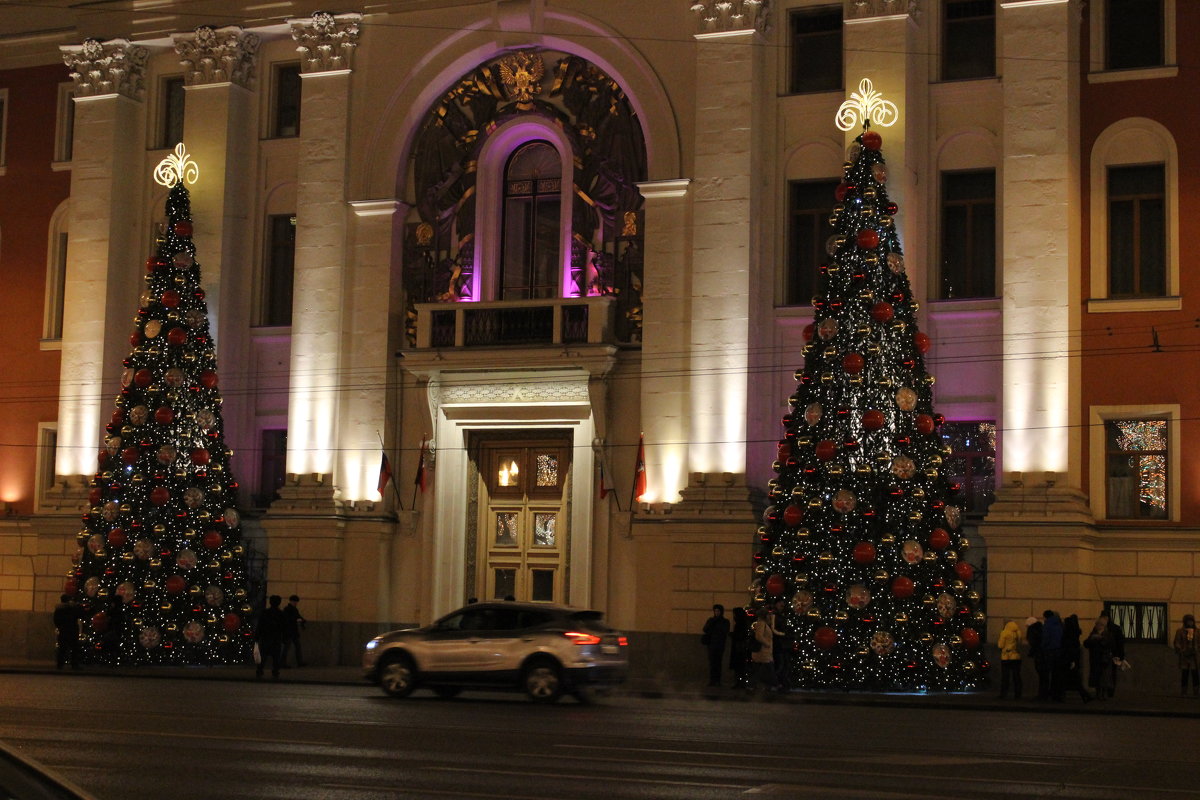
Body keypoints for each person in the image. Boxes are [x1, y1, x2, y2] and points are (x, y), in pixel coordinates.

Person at [1060, 614, 1092, 703]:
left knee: (1069, 679)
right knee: (1073, 679)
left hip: (1068, 659)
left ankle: (1084, 695)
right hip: (1071, 659)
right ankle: (1085, 695)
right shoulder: (1075, 634)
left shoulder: (1069, 635)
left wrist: (1071, 660)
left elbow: (1069, 648)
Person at [747, 606, 778, 695]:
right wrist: (767, 644)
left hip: (764, 652)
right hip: (763, 652)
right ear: (765, 615)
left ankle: (753, 685)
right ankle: (774, 685)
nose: (770, 616)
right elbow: (758, 636)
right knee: (768, 669)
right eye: (768, 614)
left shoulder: (763, 623)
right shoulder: (761, 623)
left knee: (760, 670)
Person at [255, 595, 286, 680]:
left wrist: (257, 637)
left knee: (263, 656)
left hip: (266, 637)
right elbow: (283, 627)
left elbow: (260, 625)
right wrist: (284, 638)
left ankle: (260, 670)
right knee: (276, 657)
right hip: (276, 638)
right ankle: (275, 672)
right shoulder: (280, 614)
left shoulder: (265, 613)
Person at [1085, 613, 1116, 699]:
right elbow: (1086, 643)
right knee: (1096, 676)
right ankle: (1098, 692)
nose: (1097, 626)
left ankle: (1104, 693)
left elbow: (1112, 645)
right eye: (1097, 624)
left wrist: (1101, 640)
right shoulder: (1093, 633)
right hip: (1095, 658)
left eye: (1099, 624)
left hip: (1104, 658)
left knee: (1104, 676)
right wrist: (1092, 639)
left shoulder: (1108, 634)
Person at [701, 604, 730, 687]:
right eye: (715, 611)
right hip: (711, 645)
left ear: (721, 612)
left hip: (720, 645)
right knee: (712, 663)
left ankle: (718, 680)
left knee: (718, 663)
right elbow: (705, 629)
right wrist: (712, 623)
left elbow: (725, 631)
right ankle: (712, 680)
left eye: (718, 611)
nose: (716, 612)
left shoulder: (725, 621)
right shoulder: (711, 620)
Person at [53, 594, 81, 670]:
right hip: (72, 630)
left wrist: (60, 627)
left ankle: (60, 664)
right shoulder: (72, 608)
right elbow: (78, 615)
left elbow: (56, 620)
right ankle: (74, 665)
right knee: (74, 648)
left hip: (63, 630)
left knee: (62, 648)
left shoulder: (59, 609)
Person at [1173, 614, 1199, 696]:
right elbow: (1177, 642)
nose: (1190, 623)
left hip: (1194, 656)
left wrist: (1196, 649)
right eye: (1188, 621)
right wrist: (1181, 650)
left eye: (1191, 621)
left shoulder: (1197, 632)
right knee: (1185, 674)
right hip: (1184, 655)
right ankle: (1183, 692)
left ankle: (1196, 692)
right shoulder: (1180, 631)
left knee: (1195, 674)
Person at [997, 620, 1023, 699]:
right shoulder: (1018, 633)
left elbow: (1000, 645)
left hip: (1006, 657)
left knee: (1005, 677)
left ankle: (1004, 694)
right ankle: (1018, 694)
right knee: (1016, 676)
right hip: (1016, 657)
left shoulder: (1004, 632)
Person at [1040, 610, 1062, 701]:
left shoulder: (1047, 625)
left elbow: (1045, 638)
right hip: (1058, 651)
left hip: (1049, 651)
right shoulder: (1059, 625)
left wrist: (1042, 647)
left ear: (1045, 617)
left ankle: (1045, 694)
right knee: (1056, 675)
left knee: (1046, 674)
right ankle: (1056, 694)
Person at [281, 594, 307, 667]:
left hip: (293, 631)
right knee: (287, 647)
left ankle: (299, 662)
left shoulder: (293, 609)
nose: (296, 603)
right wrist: (298, 620)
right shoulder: (288, 609)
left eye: (296, 602)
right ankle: (283, 662)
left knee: (296, 647)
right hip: (289, 631)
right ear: (291, 601)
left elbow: (298, 616)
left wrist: (302, 620)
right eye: (295, 602)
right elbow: (288, 619)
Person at [729, 607, 751, 688]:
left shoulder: (740, 624)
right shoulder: (743, 623)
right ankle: (740, 682)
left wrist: (733, 635)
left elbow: (740, 636)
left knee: (739, 666)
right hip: (740, 647)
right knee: (740, 666)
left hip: (739, 648)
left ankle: (739, 683)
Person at [1025, 615, 1045, 701]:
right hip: (1043, 655)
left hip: (1039, 656)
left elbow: (1034, 643)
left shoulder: (1032, 630)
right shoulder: (1042, 628)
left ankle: (1041, 695)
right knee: (1043, 676)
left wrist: (1031, 652)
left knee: (1041, 675)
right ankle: (1043, 694)